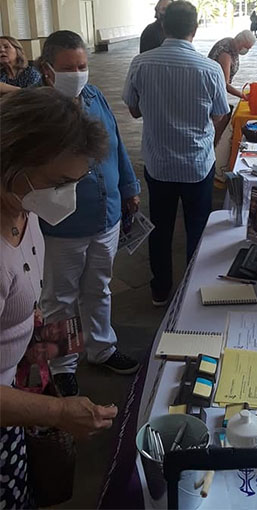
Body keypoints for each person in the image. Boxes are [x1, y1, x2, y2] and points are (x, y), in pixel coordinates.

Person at [0, 88, 118, 508]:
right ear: (11, 159)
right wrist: (59, 413)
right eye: (58, 183)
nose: (67, 195)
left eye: (77, 181)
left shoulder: (22, 208)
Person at [36, 30, 141, 397]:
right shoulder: (38, 110)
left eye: (82, 65)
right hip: (61, 224)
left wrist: (129, 188)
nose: (78, 73)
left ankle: (101, 347)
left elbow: (116, 144)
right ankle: (62, 364)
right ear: (48, 70)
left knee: (99, 287)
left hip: (106, 215)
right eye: (69, 67)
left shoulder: (95, 96)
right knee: (60, 297)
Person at [123, 0, 230, 306]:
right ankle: (194, 288)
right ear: (195, 29)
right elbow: (220, 114)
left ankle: (160, 288)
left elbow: (132, 110)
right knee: (198, 227)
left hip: (159, 164)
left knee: (160, 227)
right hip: (198, 164)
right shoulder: (210, 69)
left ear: (163, 26)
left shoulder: (141, 63)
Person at [208, 29, 256, 100]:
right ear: (241, 42)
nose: (246, 50)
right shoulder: (226, 54)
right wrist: (243, 96)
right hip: (212, 92)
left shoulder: (231, 43)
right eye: (246, 47)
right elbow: (225, 84)